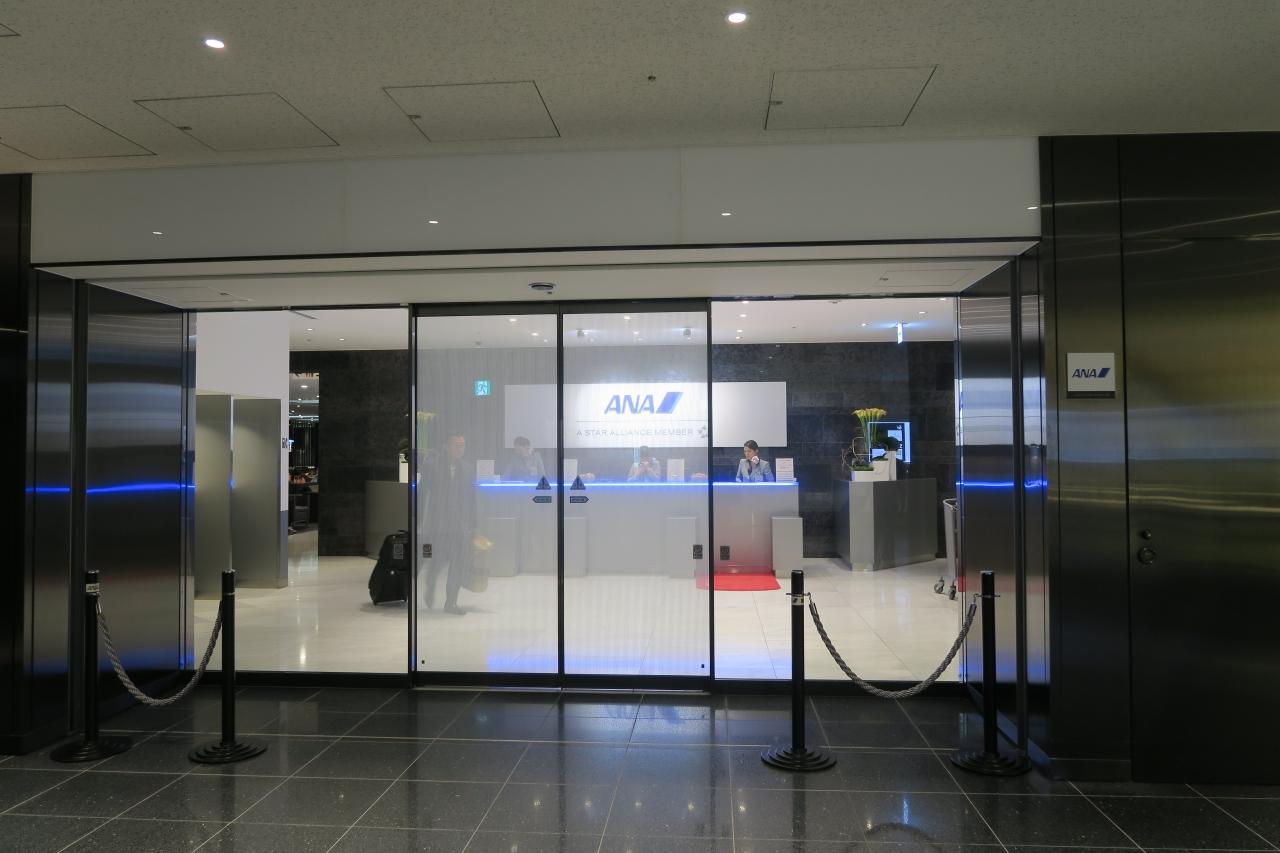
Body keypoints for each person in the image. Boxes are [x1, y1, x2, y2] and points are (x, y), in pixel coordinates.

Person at [420, 431, 475, 615]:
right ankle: (431, 583)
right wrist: (419, 521)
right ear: (447, 446)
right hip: (437, 523)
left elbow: (471, 497)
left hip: (459, 525)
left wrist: (473, 525)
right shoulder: (432, 466)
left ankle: (451, 602)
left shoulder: (467, 468)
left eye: (463, 445)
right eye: (456, 445)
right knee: (437, 559)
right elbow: (422, 494)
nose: (460, 449)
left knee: (458, 562)